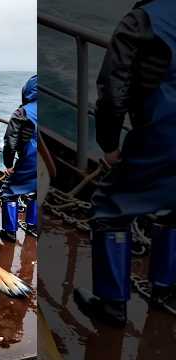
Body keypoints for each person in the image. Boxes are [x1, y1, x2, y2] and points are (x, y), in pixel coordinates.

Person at [74, 0, 176, 326]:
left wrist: (109, 144)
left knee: (109, 208)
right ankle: (166, 288)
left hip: (162, 133)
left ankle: (112, 304)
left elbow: (113, 89)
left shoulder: (143, 20)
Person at [0, 75, 38, 241]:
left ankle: (10, 232)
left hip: (30, 159)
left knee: (9, 192)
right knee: (36, 190)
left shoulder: (22, 112)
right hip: (47, 162)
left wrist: (8, 164)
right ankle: (33, 225)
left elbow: (10, 142)